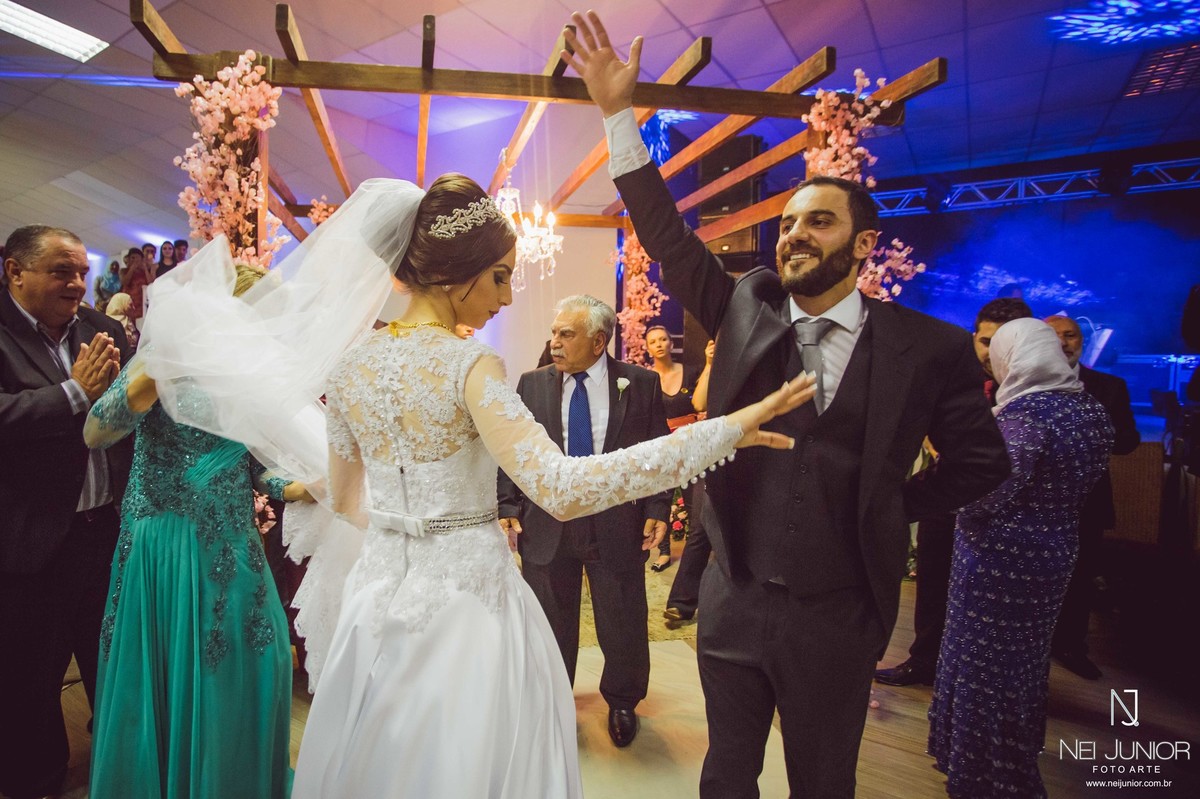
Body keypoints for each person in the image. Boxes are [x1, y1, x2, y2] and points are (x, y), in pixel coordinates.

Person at [565, 12, 1011, 796]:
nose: (795, 235)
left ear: (864, 244)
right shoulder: (746, 306)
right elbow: (668, 238)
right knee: (726, 772)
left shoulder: (928, 348)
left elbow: (982, 463)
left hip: (840, 615)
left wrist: (890, 503)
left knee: (823, 779)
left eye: (819, 222)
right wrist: (616, 115)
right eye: (788, 223)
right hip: (734, 601)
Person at [291, 173, 816, 797]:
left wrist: (405, 531)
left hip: (375, 600)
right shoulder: (469, 365)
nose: (507, 297)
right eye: (499, 277)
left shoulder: (350, 368)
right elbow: (562, 489)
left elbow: (345, 500)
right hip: (465, 606)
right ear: (457, 274)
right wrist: (719, 434)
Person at [83, 263, 312, 799]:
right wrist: (147, 382)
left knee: (263, 660)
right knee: (177, 670)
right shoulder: (162, 360)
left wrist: (299, 487)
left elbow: (253, 466)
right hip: (167, 544)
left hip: (234, 542)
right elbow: (95, 433)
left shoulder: (251, 371)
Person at [928, 318, 1114, 798]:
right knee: (1023, 665)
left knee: (984, 667)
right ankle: (1010, 755)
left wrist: (948, 467)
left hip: (1001, 559)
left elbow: (984, 492)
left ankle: (985, 773)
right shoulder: (1088, 408)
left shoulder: (1027, 415)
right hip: (1056, 546)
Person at [497, 296, 670, 748]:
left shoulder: (640, 383)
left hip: (617, 522)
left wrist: (657, 508)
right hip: (547, 523)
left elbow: (657, 454)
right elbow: (515, 451)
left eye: (566, 334)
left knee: (622, 617)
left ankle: (623, 701)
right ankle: (554, 701)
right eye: (554, 333)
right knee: (550, 620)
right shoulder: (531, 384)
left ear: (598, 341)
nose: (555, 342)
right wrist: (508, 505)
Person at [0, 225, 130, 799]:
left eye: (81, 271)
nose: (77, 283)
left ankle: (117, 769)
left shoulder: (102, 330)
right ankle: (38, 781)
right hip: (30, 542)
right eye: (61, 271)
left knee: (113, 664)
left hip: (105, 534)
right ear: (15, 271)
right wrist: (74, 395)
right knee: (30, 679)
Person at [876, 297, 1033, 687]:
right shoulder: (948, 373)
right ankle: (924, 660)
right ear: (973, 337)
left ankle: (976, 676)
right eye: (985, 342)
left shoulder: (1030, 389)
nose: (991, 353)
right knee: (932, 586)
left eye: (1002, 343)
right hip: (943, 503)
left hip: (1001, 515)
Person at [1044, 314, 1139, 679]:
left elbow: (1128, 441)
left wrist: (1088, 433)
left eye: (1071, 336)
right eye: (1055, 336)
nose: (1063, 342)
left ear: (1081, 342)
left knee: (1080, 575)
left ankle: (1070, 645)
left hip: (1086, 498)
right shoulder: (1022, 381)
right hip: (1032, 501)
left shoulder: (1109, 386)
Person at [643, 325, 712, 572]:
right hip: (663, 447)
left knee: (695, 502)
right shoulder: (646, 379)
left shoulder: (691, 372)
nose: (659, 344)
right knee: (661, 498)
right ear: (647, 348)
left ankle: (694, 558)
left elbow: (702, 403)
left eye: (663, 339)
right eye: (653, 341)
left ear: (671, 344)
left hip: (692, 446)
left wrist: (709, 364)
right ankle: (663, 553)